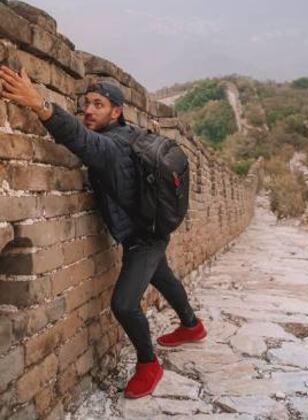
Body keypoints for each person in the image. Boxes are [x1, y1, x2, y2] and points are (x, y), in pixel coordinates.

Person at [0, 65, 207, 399]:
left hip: (144, 237)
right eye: (87, 103)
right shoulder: (128, 134)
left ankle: (148, 364)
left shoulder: (111, 148)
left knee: (124, 305)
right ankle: (192, 326)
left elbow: (82, 142)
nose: (89, 110)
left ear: (117, 111)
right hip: (149, 227)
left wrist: (40, 104)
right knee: (162, 276)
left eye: (98, 104)